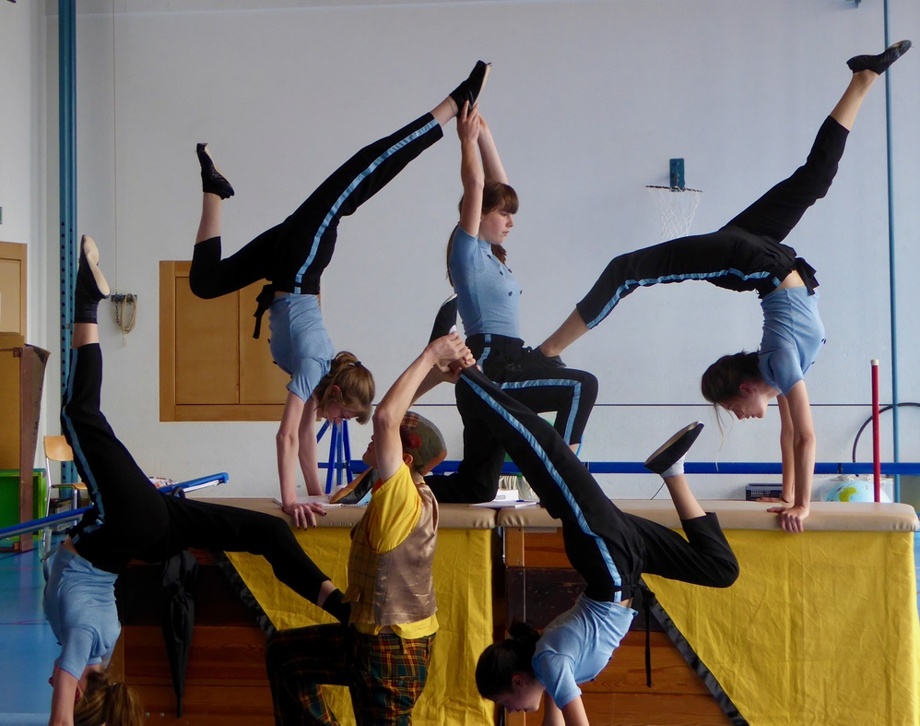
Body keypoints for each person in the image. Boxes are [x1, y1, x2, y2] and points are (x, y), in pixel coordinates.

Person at [529, 42, 911, 532]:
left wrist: (803, 506)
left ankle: (548, 350)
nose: (742, 415)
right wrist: (790, 495)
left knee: (627, 269)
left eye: (734, 406)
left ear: (747, 385)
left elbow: (806, 439)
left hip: (748, 262)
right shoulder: (776, 376)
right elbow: (790, 435)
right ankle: (862, 80)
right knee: (813, 181)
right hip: (759, 254)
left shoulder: (777, 365)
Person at [45, 235, 353, 726]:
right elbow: (64, 707)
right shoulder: (83, 644)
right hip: (129, 523)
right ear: (81, 688)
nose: (56, 683)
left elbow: (81, 687)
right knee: (79, 413)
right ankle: (85, 300)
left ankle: (341, 605)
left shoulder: (99, 654)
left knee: (262, 533)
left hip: (154, 529)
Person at [189, 62, 491, 524]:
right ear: (337, 395)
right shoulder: (314, 366)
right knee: (361, 176)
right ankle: (451, 104)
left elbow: (303, 436)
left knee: (205, 284)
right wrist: (291, 500)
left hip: (287, 269)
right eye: (345, 415)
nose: (338, 421)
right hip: (302, 262)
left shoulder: (315, 381)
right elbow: (285, 437)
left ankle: (214, 191)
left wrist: (317, 494)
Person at [461, 364, 738, 724]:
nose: (511, 711)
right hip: (622, 561)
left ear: (517, 680)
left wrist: (469, 374)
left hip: (605, 555)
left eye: (506, 704)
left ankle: (470, 376)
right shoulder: (549, 667)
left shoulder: (548, 662)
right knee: (720, 570)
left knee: (543, 452)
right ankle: (672, 471)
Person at [264, 333, 473, 725]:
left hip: (393, 651)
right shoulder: (395, 485)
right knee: (285, 654)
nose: (374, 436)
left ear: (404, 457)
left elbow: (387, 417)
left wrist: (430, 353)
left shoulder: (402, 497)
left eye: (385, 440)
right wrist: (438, 376)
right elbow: (398, 410)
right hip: (370, 636)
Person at [424, 102, 599, 504]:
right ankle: (566, 481)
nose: (511, 221)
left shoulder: (494, 256)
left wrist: (485, 132)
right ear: (481, 214)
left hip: (505, 365)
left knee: (476, 487)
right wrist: (466, 142)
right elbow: (476, 186)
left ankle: (398, 487)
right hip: (490, 369)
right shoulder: (467, 255)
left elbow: (500, 185)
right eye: (504, 214)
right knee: (580, 387)